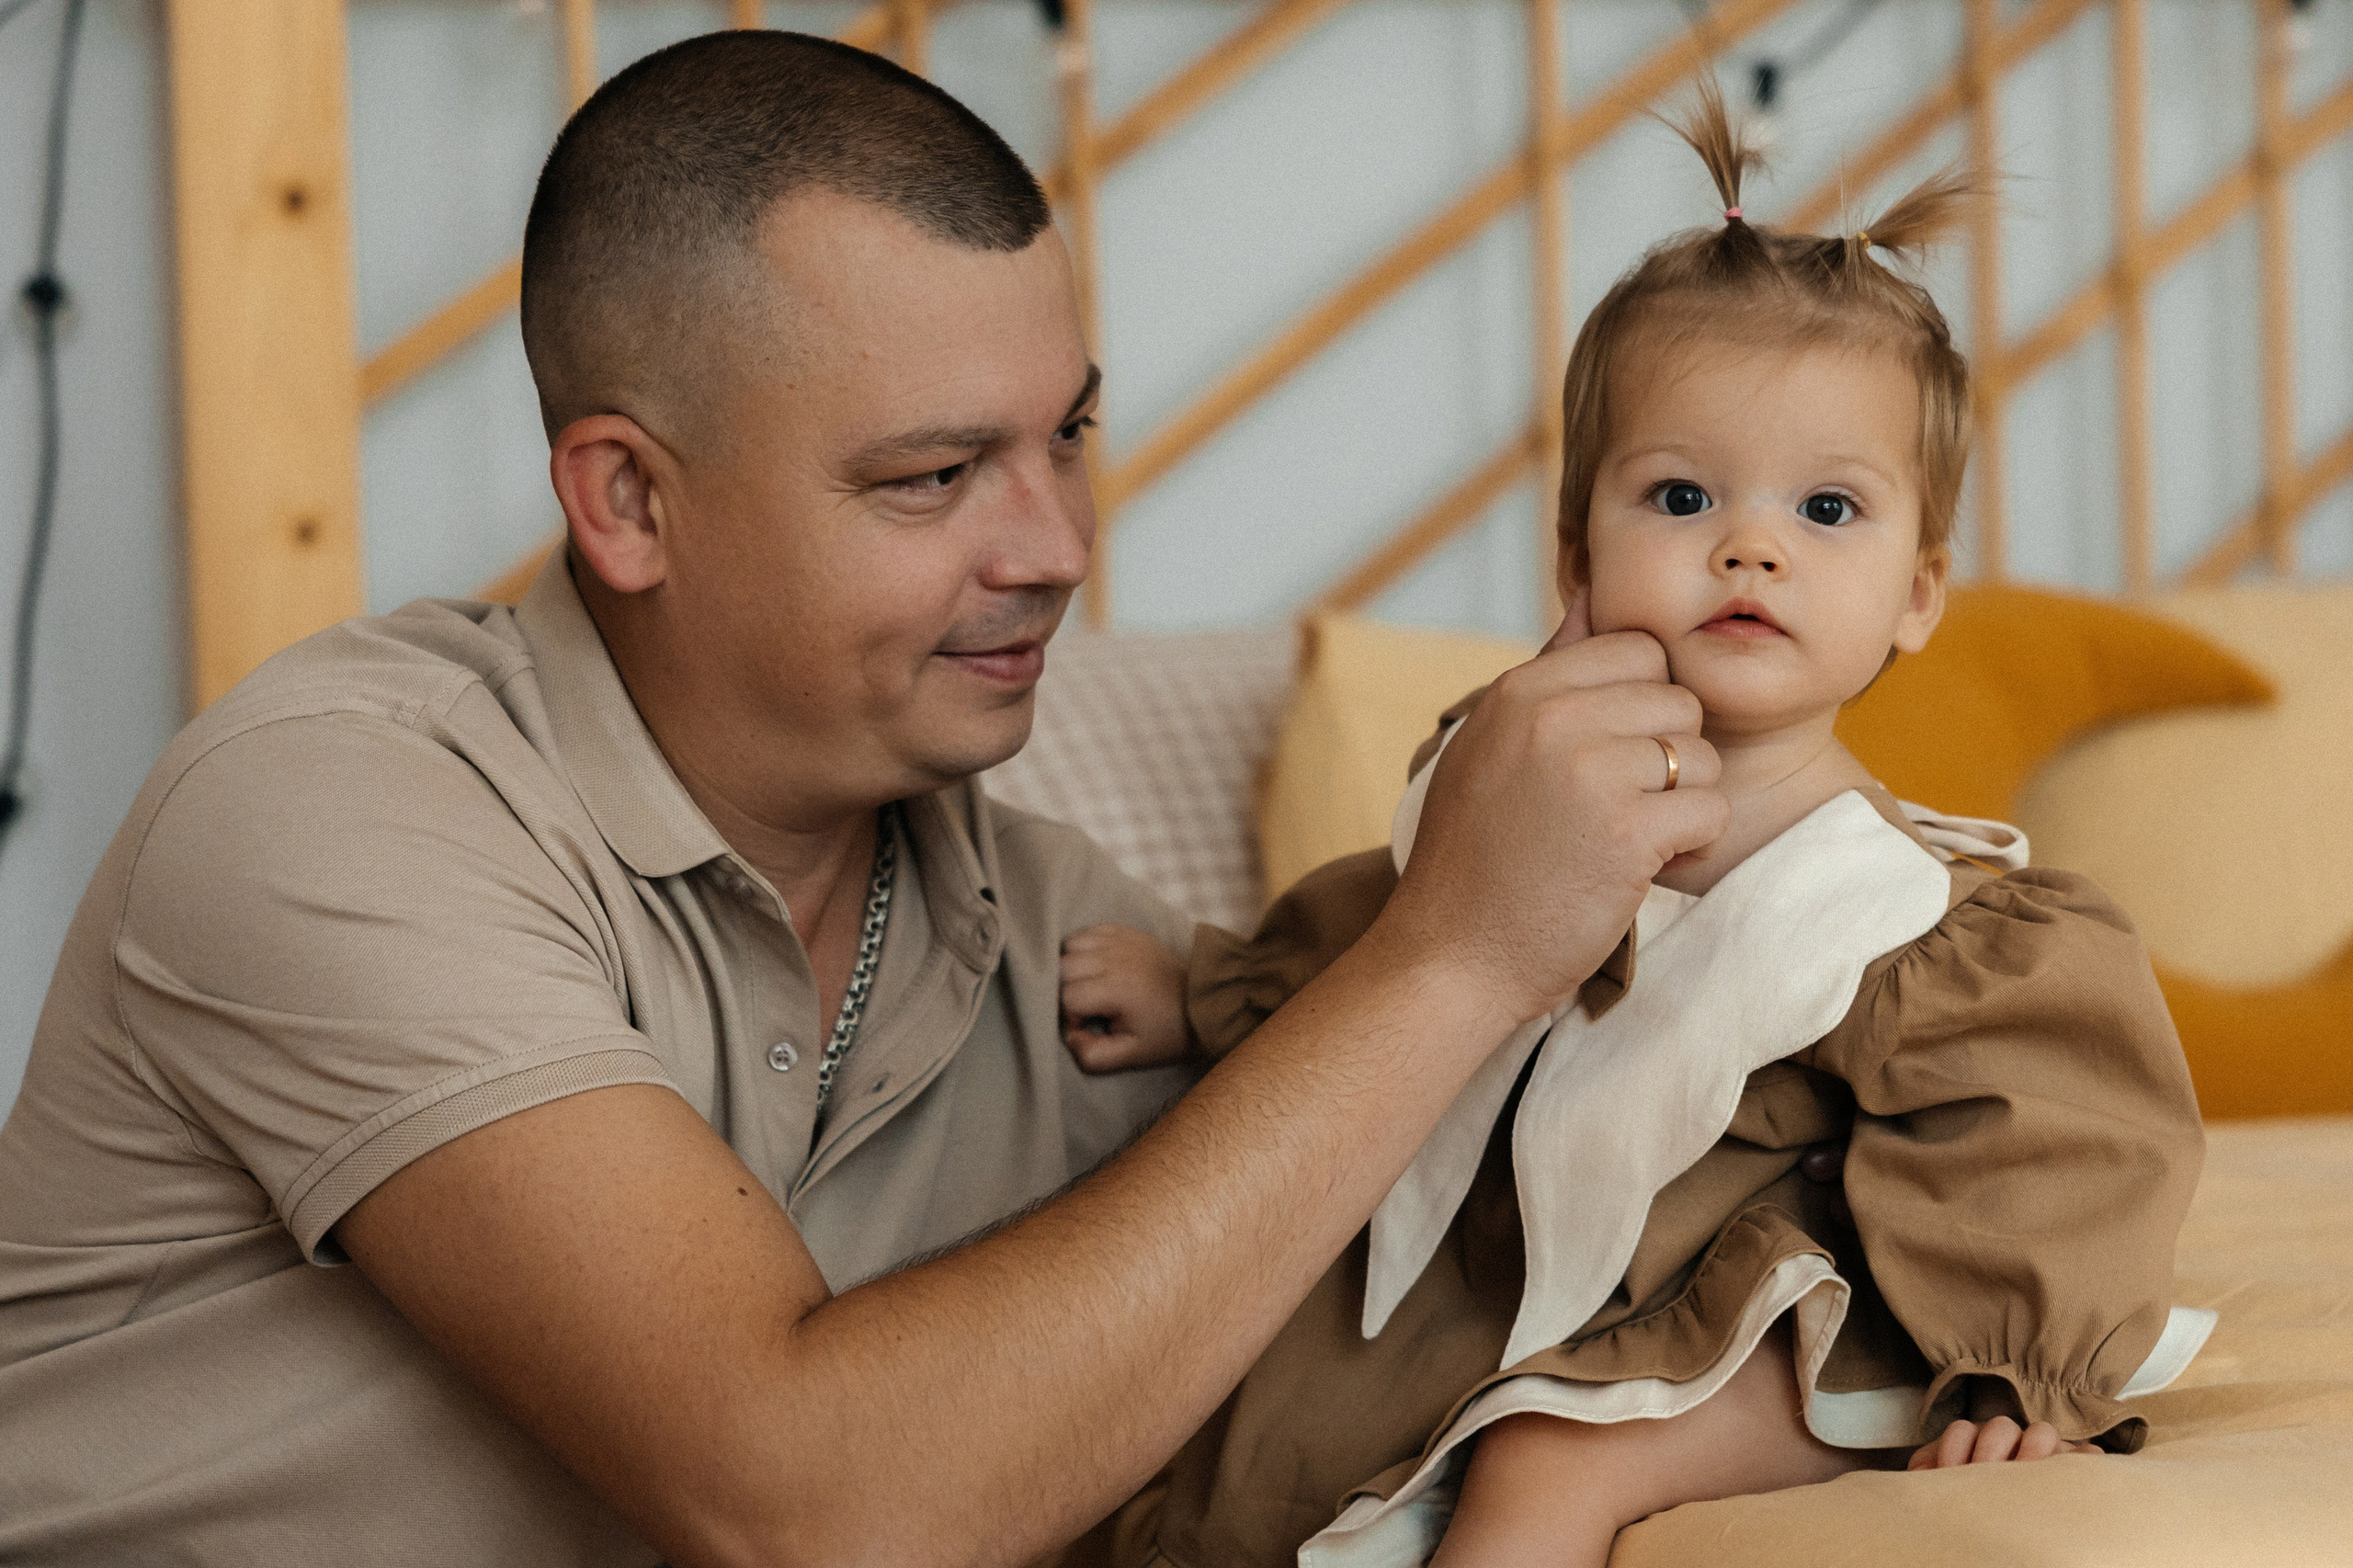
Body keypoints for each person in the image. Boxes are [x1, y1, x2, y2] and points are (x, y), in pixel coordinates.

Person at [0, 32, 1740, 1568]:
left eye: (1067, 436)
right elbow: (809, 1506)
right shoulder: (340, 809)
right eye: (933, 475)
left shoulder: (1060, 928)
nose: (1057, 547)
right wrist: (1446, 954)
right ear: (627, 502)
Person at [1055, 87, 2209, 1568]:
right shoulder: (1524, 778)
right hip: (1534, 1270)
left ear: (1919, 594)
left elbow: (2053, 1137)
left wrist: (2013, 1357)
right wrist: (1210, 991)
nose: (1751, 544)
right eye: (1680, 495)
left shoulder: (1909, 917)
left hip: (1797, 1301)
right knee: (1250, 1402)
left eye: (1829, 511)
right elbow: (1391, 929)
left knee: (1544, 1458)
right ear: (1574, 554)